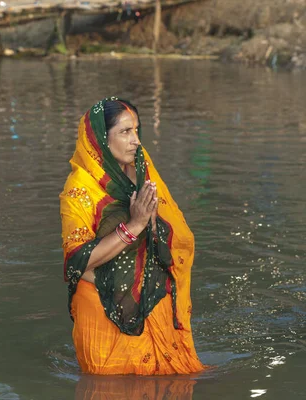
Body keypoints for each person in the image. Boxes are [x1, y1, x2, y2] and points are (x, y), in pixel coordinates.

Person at [60, 97, 204, 375]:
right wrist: (134, 226)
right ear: (101, 138)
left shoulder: (141, 167)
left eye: (136, 130)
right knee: (108, 387)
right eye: (125, 132)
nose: (136, 140)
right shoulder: (79, 188)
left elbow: (168, 229)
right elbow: (76, 263)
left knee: (174, 383)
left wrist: (152, 223)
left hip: (150, 296)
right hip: (102, 306)